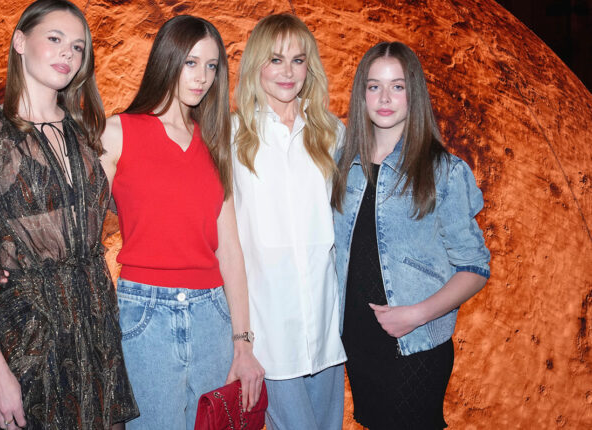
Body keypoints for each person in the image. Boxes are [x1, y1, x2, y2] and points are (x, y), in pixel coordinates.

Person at [0, 1, 138, 429]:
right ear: (20, 42)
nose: (68, 52)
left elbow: (116, 209)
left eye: (78, 47)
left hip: (94, 331)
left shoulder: (87, 132)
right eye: (55, 38)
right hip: (25, 338)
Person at [98, 15, 265, 430]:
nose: (202, 77)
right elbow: (77, 230)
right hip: (144, 317)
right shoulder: (116, 133)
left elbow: (230, 251)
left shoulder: (214, 142)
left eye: (211, 66)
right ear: (167, 59)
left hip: (213, 316)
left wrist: (243, 344)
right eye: (191, 62)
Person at [332, 41, 491, 429]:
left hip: (415, 344)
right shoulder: (343, 166)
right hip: (357, 343)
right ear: (362, 94)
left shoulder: (444, 172)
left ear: (413, 93)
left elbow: (475, 268)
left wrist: (415, 316)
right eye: (374, 86)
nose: (385, 98)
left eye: (397, 86)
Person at [230, 14, 347, 430]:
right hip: (268, 338)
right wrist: (241, 342)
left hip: (327, 333)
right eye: (276, 59)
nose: (288, 72)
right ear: (256, 64)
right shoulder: (230, 135)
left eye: (298, 60)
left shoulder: (332, 133)